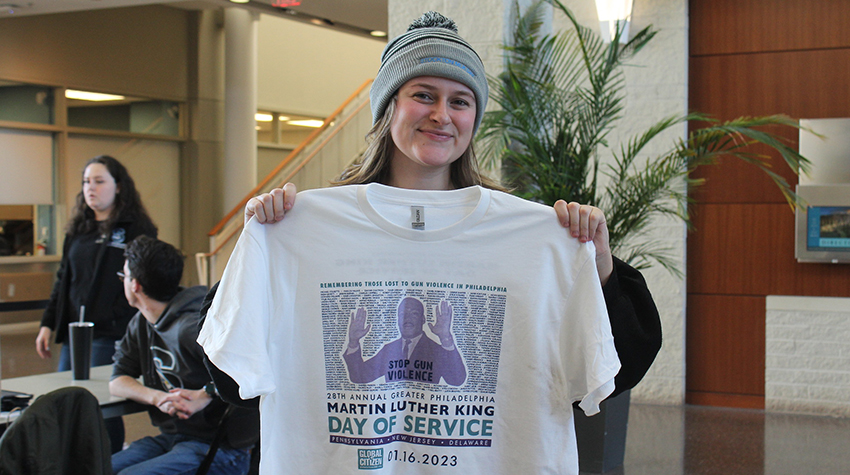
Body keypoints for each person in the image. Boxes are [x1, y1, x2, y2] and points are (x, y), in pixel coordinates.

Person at [200, 12, 659, 474]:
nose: (442, 114)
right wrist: (261, 249)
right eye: (423, 95)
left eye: (460, 101)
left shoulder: (531, 237)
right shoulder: (302, 228)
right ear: (388, 109)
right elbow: (228, 374)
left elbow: (612, 372)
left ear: (474, 119)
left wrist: (596, 262)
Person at [36, 154, 158, 453]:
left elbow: (142, 279)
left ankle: (109, 460)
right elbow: (63, 279)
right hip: (76, 332)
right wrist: (47, 324)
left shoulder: (135, 228)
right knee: (68, 398)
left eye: (99, 181)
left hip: (111, 332)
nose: (91, 188)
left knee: (102, 404)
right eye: (86, 182)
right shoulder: (79, 229)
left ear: (118, 186)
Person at [110, 236, 256, 475]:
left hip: (219, 447)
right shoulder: (141, 323)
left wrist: (205, 394)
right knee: (96, 467)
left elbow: (248, 374)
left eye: (123, 276)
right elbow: (117, 381)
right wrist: (158, 398)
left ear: (135, 285)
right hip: (173, 437)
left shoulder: (192, 328)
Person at [343, 297, 466, 386]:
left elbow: (456, 380)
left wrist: (445, 337)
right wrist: (353, 342)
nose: (407, 318)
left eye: (414, 313)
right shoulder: (389, 349)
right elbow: (359, 376)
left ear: (423, 319)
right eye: (403, 314)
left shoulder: (435, 349)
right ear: (397, 320)